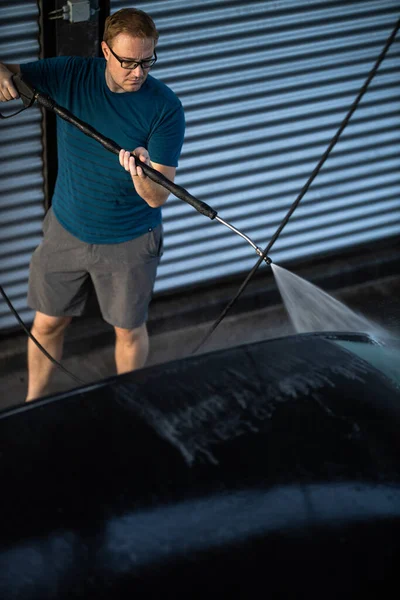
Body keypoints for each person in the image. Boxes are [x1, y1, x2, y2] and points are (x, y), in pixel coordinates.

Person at [0, 8, 185, 401]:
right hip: (66, 229)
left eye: (147, 61)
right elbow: (7, 70)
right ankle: (34, 404)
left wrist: (142, 174)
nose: (138, 72)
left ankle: (130, 407)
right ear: (105, 50)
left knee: (128, 330)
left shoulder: (166, 109)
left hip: (130, 240)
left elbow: (158, 196)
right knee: (47, 324)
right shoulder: (70, 74)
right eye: (128, 62)